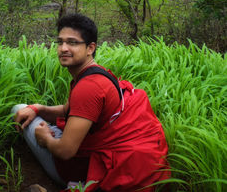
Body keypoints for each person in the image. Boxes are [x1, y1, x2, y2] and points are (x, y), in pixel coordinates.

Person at [12, 13, 170, 192]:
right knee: (29, 110)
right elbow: (67, 110)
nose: (63, 48)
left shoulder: (88, 87)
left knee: (18, 109)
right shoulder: (98, 73)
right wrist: (38, 108)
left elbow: (66, 151)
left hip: (91, 169)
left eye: (72, 42)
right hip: (128, 163)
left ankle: (79, 184)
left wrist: (46, 138)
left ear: (90, 48)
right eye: (60, 42)